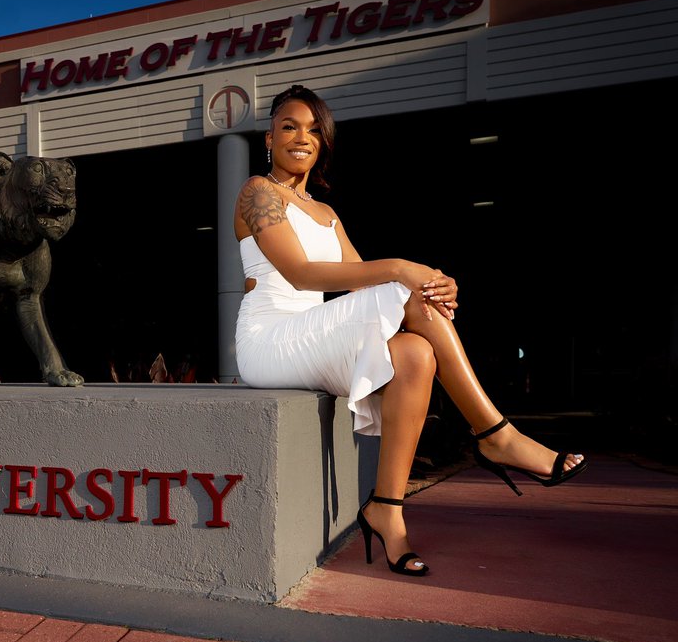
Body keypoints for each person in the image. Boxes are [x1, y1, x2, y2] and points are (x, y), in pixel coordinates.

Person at [233, 84, 587, 576]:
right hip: (270, 340)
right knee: (407, 288)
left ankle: (387, 511)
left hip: (315, 335)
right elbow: (302, 275)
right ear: (269, 137)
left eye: (314, 130)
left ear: (324, 142)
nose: (301, 137)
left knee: (416, 354)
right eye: (289, 126)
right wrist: (404, 270)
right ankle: (495, 433)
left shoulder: (327, 213)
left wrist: (432, 289)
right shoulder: (257, 192)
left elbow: (360, 289)